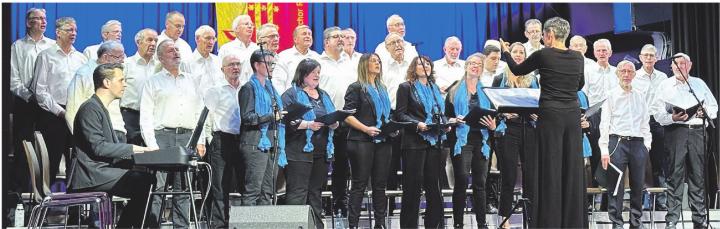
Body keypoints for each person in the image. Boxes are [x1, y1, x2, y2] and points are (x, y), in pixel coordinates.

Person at [500, 16, 587, 227]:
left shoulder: (543, 54)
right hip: (572, 115)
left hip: (550, 116)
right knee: (571, 166)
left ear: (548, 35)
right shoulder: (578, 57)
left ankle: (550, 221)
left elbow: (518, 70)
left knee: (550, 165)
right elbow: (579, 84)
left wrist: (505, 52)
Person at [68, 63, 156, 228]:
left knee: (146, 178)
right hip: (91, 174)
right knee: (145, 182)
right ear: (107, 83)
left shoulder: (100, 108)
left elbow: (108, 149)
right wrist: (136, 149)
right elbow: (99, 148)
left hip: (100, 170)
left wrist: (135, 159)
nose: (125, 84)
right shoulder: (90, 109)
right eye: (121, 80)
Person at [140, 39, 206, 228]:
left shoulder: (192, 80)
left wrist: (200, 140)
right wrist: (152, 145)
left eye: (177, 49)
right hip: (162, 137)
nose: (176, 52)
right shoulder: (153, 82)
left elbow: (199, 113)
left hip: (186, 138)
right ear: (160, 57)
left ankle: (181, 226)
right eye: (170, 50)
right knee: (159, 187)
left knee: (184, 188)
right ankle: (153, 225)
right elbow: (146, 116)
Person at [651, 53, 717, 229]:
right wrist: (672, 117)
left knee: (698, 176)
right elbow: (657, 112)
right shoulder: (664, 85)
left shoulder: (698, 84)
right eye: (677, 63)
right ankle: (671, 220)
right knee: (675, 176)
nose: (680, 66)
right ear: (672, 67)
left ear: (690, 65)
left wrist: (705, 112)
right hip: (676, 132)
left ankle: (699, 219)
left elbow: (713, 106)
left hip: (697, 132)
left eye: (684, 63)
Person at [281, 58, 339, 229]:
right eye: (313, 72)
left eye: (318, 72)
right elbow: (285, 120)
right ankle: (293, 226)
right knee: (298, 192)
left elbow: (333, 114)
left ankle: (316, 226)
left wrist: (334, 122)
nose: (317, 75)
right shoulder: (291, 94)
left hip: (321, 152)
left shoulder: (324, 95)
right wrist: (308, 125)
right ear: (303, 74)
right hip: (299, 150)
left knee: (316, 192)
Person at [32, 16, 88, 184]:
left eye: (75, 30)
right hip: (53, 115)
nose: (74, 33)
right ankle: (43, 203)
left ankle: (74, 207)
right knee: (50, 161)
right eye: (69, 30)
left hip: (77, 115)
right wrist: (61, 112)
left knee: (77, 162)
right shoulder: (46, 56)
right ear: (58, 32)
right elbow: (40, 91)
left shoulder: (80, 58)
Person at [445, 53, 497, 228]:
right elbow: (446, 116)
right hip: (462, 139)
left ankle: (481, 223)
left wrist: (493, 126)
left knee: (480, 183)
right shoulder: (453, 90)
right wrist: (453, 120)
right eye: (472, 63)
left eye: (479, 65)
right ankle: (458, 224)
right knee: (461, 180)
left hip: (481, 141)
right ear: (466, 66)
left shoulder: (488, 93)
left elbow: (495, 119)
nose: (475, 66)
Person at [599, 60, 652, 229]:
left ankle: (636, 222)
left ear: (634, 75)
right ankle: (617, 223)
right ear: (617, 74)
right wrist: (604, 149)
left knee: (638, 185)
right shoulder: (611, 95)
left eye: (630, 72)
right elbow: (604, 123)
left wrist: (647, 144)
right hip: (617, 142)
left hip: (638, 143)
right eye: (623, 71)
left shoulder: (640, 95)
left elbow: (645, 121)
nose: (627, 75)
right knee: (616, 186)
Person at [492, 42, 540, 229]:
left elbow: (539, 102)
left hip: (529, 129)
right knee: (509, 176)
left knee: (531, 176)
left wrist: (537, 113)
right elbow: (493, 107)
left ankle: (532, 218)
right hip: (508, 131)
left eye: (521, 52)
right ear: (509, 55)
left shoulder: (533, 79)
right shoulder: (499, 78)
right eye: (515, 52)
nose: (518, 55)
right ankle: (505, 219)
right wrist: (503, 114)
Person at [395, 56, 446, 228]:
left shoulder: (434, 88)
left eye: (427, 63)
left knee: (434, 187)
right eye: (420, 63)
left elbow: (439, 112)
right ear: (413, 68)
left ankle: (433, 225)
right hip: (414, 143)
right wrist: (417, 125)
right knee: (412, 188)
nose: (425, 66)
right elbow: (400, 115)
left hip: (434, 142)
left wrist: (446, 124)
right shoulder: (406, 87)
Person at [343, 53, 393, 229]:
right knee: (359, 184)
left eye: (379, 61)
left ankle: (380, 224)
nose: (377, 63)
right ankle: (353, 225)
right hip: (361, 141)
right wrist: (365, 129)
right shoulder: (356, 87)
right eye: (373, 61)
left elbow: (386, 115)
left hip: (382, 141)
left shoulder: (382, 88)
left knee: (380, 185)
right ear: (364, 65)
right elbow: (347, 115)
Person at [10, 8, 55, 192]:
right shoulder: (18, 46)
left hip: (49, 104)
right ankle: (18, 197)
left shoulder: (53, 45)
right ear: (29, 23)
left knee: (48, 150)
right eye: (38, 19)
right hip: (25, 103)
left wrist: (45, 99)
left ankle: (46, 193)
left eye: (45, 18)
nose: (43, 22)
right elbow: (13, 79)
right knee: (23, 150)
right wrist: (31, 97)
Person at [238, 49, 285, 206]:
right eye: (268, 63)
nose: (272, 66)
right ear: (257, 65)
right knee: (253, 190)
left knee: (267, 191)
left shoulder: (271, 89)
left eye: (273, 63)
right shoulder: (248, 88)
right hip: (255, 143)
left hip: (272, 142)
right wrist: (272, 116)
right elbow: (247, 117)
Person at [317, 27, 356, 216]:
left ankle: (340, 203)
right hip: (324, 121)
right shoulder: (317, 62)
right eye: (336, 37)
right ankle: (321, 204)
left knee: (343, 165)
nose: (341, 40)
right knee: (322, 165)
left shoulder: (349, 61)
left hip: (346, 120)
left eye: (342, 37)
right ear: (326, 42)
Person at [204, 54, 243, 228]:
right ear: (222, 69)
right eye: (231, 65)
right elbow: (206, 117)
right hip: (222, 139)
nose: (235, 67)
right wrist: (206, 140)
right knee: (220, 185)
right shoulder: (215, 90)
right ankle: (220, 224)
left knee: (245, 183)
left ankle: (245, 222)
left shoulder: (246, 89)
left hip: (243, 140)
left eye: (237, 64)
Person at [632, 44, 669, 211]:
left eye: (651, 55)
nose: (648, 58)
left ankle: (661, 202)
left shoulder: (663, 77)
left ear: (656, 58)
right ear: (640, 57)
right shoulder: (633, 76)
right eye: (645, 55)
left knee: (659, 162)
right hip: (639, 123)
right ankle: (643, 201)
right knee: (641, 163)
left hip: (657, 122)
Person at [65, 41, 126, 142]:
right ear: (106, 57)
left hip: (118, 130)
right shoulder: (84, 74)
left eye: (122, 57)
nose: (122, 61)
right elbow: (72, 110)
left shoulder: (116, 74)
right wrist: (79, 137)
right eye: (118, 57)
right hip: (96, 132)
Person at [121, 28, 158, 146]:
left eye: (155, 41)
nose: (153, 44)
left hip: (153, 118)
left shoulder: (159, 67)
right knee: (130, 156)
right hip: (130, 117)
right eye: (149, 40)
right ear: (138, 42)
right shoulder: (126, 64)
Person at [277, 25, 320, 93]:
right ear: (295, 39)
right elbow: (278, 82)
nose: (308, 36)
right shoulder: (284, 56)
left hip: (313, 100)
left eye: (309, 34)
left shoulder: (317, 57)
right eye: (304, 34)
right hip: (291, 99)